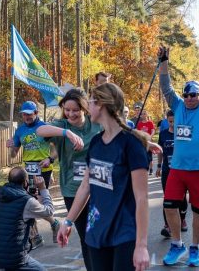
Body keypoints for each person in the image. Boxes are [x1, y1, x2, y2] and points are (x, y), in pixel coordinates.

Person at [57, 83, 158, 271]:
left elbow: (142, 198)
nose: (88, 108)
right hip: (96, 231)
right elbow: (85, 187)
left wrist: (141, 245)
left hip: (124, 233)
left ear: (102, 104)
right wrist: (68, 221)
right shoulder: (96, 142)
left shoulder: (131, 144)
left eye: (90, 103)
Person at [158, 32, 199, 267]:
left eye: (193, 94)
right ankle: (177, 245)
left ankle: (194, 248)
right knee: (169, 206)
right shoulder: (177, 106)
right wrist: (164, 62)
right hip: (177, 168)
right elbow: (166, 88)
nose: (188, 98)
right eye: (186, 94)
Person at [36, 88, 101, 270]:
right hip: (73, 190)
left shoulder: (95, 124)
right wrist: (67, 133)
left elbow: (118, 130)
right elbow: (40, 130)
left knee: (99, 233)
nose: (70, 114)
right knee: (86, 237)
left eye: (75, 110)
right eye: (67, 109)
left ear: (84, 108)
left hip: (99, 187)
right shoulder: (62, 126)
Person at [6, 101, 59, 245]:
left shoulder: (44, 127)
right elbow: (13, 155)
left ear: (36, 113)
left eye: (29, 114)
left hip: (43, 170)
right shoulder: (20, 131)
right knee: (27, 202)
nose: (27, 116)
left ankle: (54, 224)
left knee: (38, 202)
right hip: (27, 172)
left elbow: (56, 150)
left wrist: (50, 159)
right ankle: (35, 235)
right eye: (24, 114)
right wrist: (11, 146)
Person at [0, 166, 54, 271]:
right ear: (26, 182)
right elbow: (49, 211)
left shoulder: (0, 196)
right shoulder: (27, 201)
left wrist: (29, 195)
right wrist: (43, 189)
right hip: (13, 258)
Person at [156, 110, 188, 238]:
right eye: (170, 121)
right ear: (167, 120)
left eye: (175, 121)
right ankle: (167, 225)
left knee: (181, 197)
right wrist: (158, 166)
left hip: (181, 171)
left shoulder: (183, 133)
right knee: (167, 197)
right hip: (167, 170)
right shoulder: (163, 134)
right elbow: (159, 151)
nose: (172, 124)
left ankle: (183, 219)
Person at [136, 110, 156, 175]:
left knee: (150, 157)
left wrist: (150, 137)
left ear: (147, 115)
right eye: (142, 114)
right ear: (141, 115)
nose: (143, 115)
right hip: (142, 143)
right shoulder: (139, 124)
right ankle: (144, 168)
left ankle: (151, 169)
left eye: (145, 114)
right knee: (143, 156)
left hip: (149, 142)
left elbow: (153, 131)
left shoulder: (150, 123)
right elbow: (138, 132)